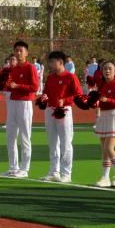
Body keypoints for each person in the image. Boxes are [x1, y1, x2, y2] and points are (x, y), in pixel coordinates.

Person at [37, 50, 81, 183]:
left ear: (60, 62)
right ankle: (53, 171)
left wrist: (65, 100)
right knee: (52, 142)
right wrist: (43, 98)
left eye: (52, 62)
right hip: (50, 110)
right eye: (49, 62)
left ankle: (66, 173)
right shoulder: (50, 77)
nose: (50, 64)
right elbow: (46, 93)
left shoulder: (70, 77)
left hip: (64, 111)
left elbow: (78, 95)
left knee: (66, 142)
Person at [1, 40, 41, 178]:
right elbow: (9, 85)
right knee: (10, 136)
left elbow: (35, 87)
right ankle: (13, 167)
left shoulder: (30, 68)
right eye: (16, 50)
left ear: (26, 53)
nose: (18, 53)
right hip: (12, 102)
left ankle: (24, 168)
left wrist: (17, 86)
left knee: (25, 136)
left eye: (21, 50)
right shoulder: (13, 69)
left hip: (25, 103)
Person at [87, 60, 115, 188]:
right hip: (103, 116)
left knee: (109, 148)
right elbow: (99, 103)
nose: (107, 71)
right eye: (105, 69)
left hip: (114, 116)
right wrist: (92, 102)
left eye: (110, 69)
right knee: (104, 151)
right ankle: (105, 177)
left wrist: (107, 100)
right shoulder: (101, 85)